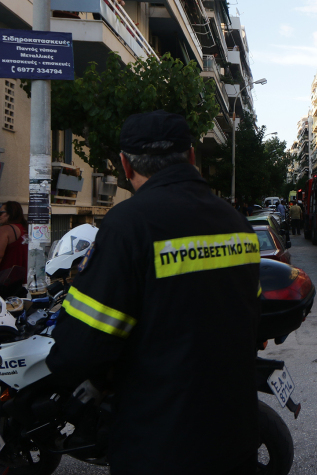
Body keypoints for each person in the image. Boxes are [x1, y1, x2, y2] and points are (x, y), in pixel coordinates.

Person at [46, 110, 261, 475]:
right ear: (191, 156)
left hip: (163, 444)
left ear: (125, 165)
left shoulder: (127, 225)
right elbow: (252, 316)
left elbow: (79, 348)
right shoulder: (236, 222)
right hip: (236, 436)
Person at [0, 201, 27, 287]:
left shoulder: (5, 229)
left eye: (1, 213)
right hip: (24, 279)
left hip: (6, 279)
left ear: (10, 213)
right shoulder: (25, 228)